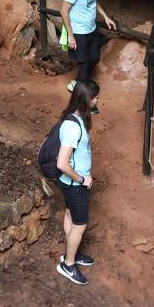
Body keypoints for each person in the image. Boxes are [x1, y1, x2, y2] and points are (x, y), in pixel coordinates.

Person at [56, 80, 99, 286]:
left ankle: (71, 253)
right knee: (80, 225)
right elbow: (62, 163)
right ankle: (68, 265)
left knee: (70, 215)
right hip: (75, 184)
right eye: (96, 97)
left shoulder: (76, 115)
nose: (98, 101)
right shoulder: (72, 127)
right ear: (87, 100)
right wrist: (82, 179)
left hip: (70, 183)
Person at [60, 0, 117, 103]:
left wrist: (105, 17)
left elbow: (94, 1)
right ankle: (80, 99)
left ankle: (77, 83)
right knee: (84, 63)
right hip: (79, 32)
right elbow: (64, 11)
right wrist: (71, 36)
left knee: (95, 58)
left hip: (91, 29)